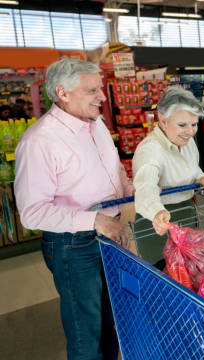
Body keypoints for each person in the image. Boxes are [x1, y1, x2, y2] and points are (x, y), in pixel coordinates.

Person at [14, 58, 133, 360]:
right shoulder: (40, 141)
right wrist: (96, 220)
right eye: (92, 90)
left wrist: (130, 191)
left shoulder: (97, 124)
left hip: (111, 237)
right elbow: (32, 211)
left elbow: (114, 169)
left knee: (111, 324)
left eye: (102, 88)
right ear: (63, 93)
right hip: (74, 246)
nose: (102, 98)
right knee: (85, 334)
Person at [132, 87, 204, 266]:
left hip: (186, 212)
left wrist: (201, 177)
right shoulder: (150, 151)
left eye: (194, 124)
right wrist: (157, 212)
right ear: (163, 120)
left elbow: (191, 168)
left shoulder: (186, 141)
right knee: (165, 277)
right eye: (182, 125)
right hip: (157, 223)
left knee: (191, 272)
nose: (190, 131)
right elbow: (145, 187)